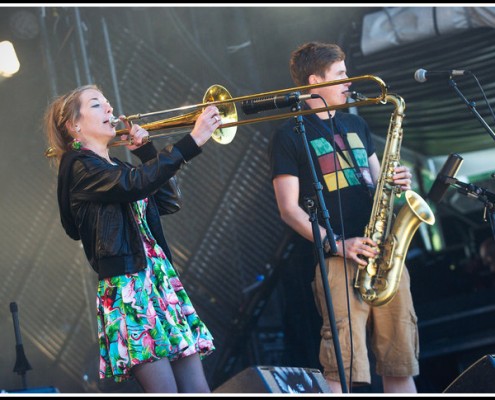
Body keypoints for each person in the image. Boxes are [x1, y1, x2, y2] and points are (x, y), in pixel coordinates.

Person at [43, 84, 220, 393]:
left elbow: (168, 201)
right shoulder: (80, 167)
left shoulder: (118, 167)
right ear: (75, 126)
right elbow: (134, 184)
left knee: (198, 390)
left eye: (108, 103)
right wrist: (192, 141)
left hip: (157, 281)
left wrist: (146, 152)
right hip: (129, 287)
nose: (110, 109)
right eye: (97, 105)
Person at [268, 42, 418, 393]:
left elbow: (378, 181)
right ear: (314, 81)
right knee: (342, 368)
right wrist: (338, 245)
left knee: (400, 362)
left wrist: (397, 182)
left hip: (382, 254)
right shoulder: (288, 134)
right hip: (337, 257)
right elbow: (288, 209)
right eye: (341, 74)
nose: (349, 81)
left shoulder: (356, 123)